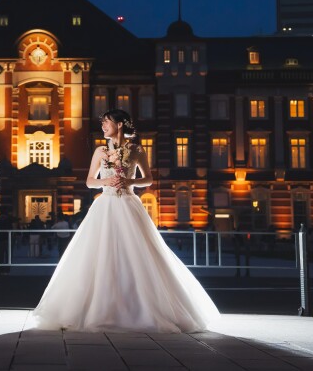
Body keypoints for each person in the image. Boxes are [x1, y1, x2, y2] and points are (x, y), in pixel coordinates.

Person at [31, 109, 220, 333]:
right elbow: (90, 182)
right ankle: (96, 308)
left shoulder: (137, 150)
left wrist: (129, 180)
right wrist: (107, 181)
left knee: (139, 254)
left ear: (119, 125)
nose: (103, 126)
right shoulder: (100, 151)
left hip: (129, 204)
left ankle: (142, 307)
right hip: (106, 205)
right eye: (102, 123)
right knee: (99, 254)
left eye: (107, 122)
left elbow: (148, 178)